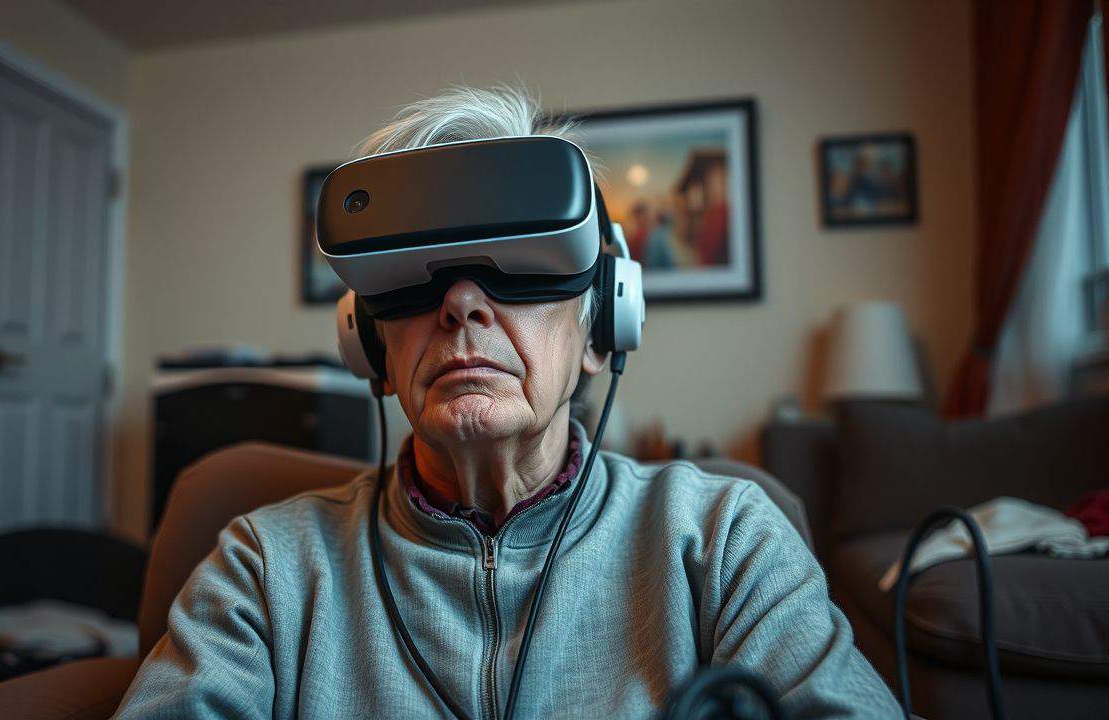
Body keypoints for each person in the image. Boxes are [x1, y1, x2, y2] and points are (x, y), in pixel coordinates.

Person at [112, 85, 901, 719]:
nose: (460, 305)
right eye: (417, 278)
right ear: (370, 345)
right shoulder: (267, 567)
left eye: (518, 268)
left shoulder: (721, 540)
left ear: (604, 329)